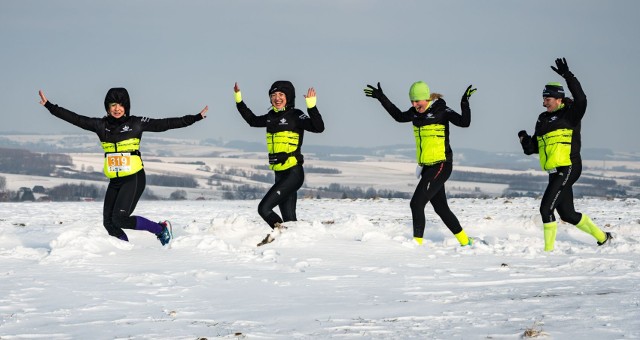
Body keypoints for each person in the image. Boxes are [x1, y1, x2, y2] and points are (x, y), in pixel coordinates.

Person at [39, 88, 207, 245]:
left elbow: (166, 124)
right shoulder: (100, 125)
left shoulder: (136, 123)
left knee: (120, 219)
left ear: (126, 107)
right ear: (107, 107)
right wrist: (49, 106)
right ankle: (123, 252)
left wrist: (194, 118)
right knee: (109, 223)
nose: (117, 108)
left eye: (120, 105)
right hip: (116, 180)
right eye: (113, 105)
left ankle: (160, 229)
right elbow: (75, 119)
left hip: (133, 178)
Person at [364, 80, 476, 247]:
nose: (415, 105)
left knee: (416, 203)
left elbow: (464, 123)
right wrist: (382, 98)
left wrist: (464, 103)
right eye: (412, 101)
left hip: (442, 164)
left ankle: (416, 245)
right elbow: (398, 116)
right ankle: (466, 242)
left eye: (417, 101)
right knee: (441, 209)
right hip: (427, 167)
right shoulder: (415, 113)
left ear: (427, 98)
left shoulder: (442, 110)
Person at [518, 58, 612, 251]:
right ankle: (603, 237)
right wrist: (524, 140)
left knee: (545, 209)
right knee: (568, 214)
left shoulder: (570, 114)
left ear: (559, 99)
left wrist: (568, 76)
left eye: (548, 99)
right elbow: (533, 148)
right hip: (554, 170)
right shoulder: (543, 119)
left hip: (569, 166)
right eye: (543, 99)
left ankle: (548, 252)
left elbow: (582, 99)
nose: (544, 103)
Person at [233, 81, 325, 246]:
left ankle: (281, 235)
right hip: (280, 174)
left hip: (293, 173)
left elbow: (318, 128)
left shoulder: (296, 115)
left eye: (281, 95)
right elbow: (252, 120)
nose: (277, 98)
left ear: (288, 97)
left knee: (264, 209)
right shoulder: (270, 117)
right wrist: (239, 100)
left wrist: (312, 106)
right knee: (290, 220)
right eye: (273, 95)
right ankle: (294, 245)